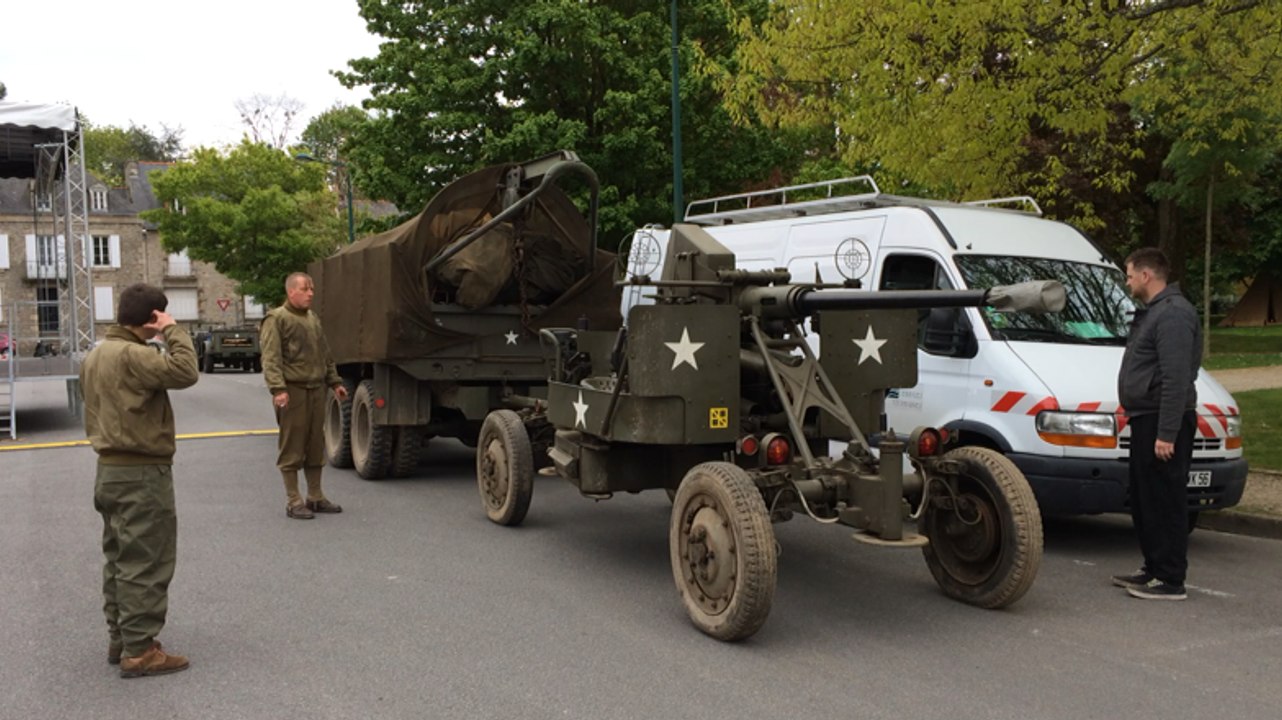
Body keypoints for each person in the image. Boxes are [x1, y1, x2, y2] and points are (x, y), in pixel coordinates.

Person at [80, 283, 199, 677]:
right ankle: (140, 651)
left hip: (108, 470)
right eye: (158, 317)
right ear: (151, 318)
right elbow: (185, 371)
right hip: (141, 472)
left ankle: (122, 637)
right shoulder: (134, 354)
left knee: (118, 558)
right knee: (147, 560)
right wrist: (173, 330)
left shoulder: (96, 355)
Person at [1112, 247, 1201, 601]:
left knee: (1165, 499)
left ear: (1147, 276)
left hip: (1167, 422)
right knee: (1146, 497)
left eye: (1130, 273)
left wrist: (1166, 433)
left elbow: (1176, 377)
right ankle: (1153, 567)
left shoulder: (1174, 315)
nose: (1127, 279)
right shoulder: (1156, 313)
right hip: (1147, 416)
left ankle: (1170, 579)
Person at [260, 272, 349, 519]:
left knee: (315, 444)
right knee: (292, 446)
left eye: (312, 289)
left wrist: (335, 382)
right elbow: (271, 357)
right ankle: (293, 500)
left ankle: (315, 497)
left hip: (316, 389)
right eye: (305, 289)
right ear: (291, 292)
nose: (311, 293)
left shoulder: (313, 319)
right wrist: (278, 389)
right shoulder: (276, 318)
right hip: (293, 391)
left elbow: (325, 353)